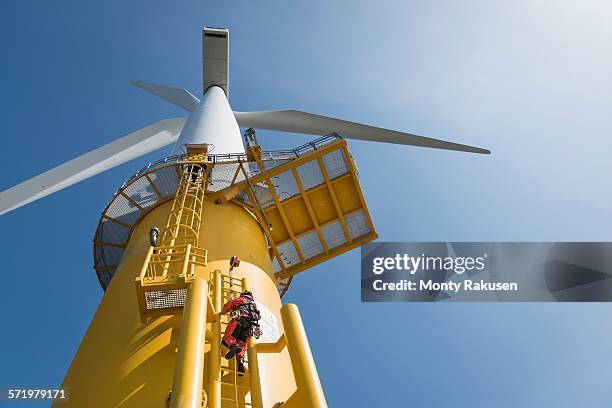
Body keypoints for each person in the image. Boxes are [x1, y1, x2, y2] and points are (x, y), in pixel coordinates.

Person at [221, 290, 262, 375]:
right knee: (242, 344)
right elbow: (257, 319)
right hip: (250, 327)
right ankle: (240, 361)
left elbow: (228, 306)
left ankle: (233, 346)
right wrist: (257, 330)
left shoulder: (241, 299)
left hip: (239, 320)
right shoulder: (254, 307)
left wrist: (223, 311)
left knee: (228, 338)